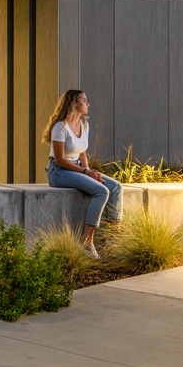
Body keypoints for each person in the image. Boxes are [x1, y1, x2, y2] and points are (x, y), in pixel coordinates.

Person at [42, 89, 122, 256]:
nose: (88, 103)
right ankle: (86, 242)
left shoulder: (84, 124)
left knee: (116, 186)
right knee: (101, 191)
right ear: (74, 103)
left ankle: (114, 238)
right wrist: (85, 171)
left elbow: (83, 153)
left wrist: (89, 171)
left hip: (78, 167)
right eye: (84, 100)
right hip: (59, 172)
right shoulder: (60, 126)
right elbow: (60, 160)